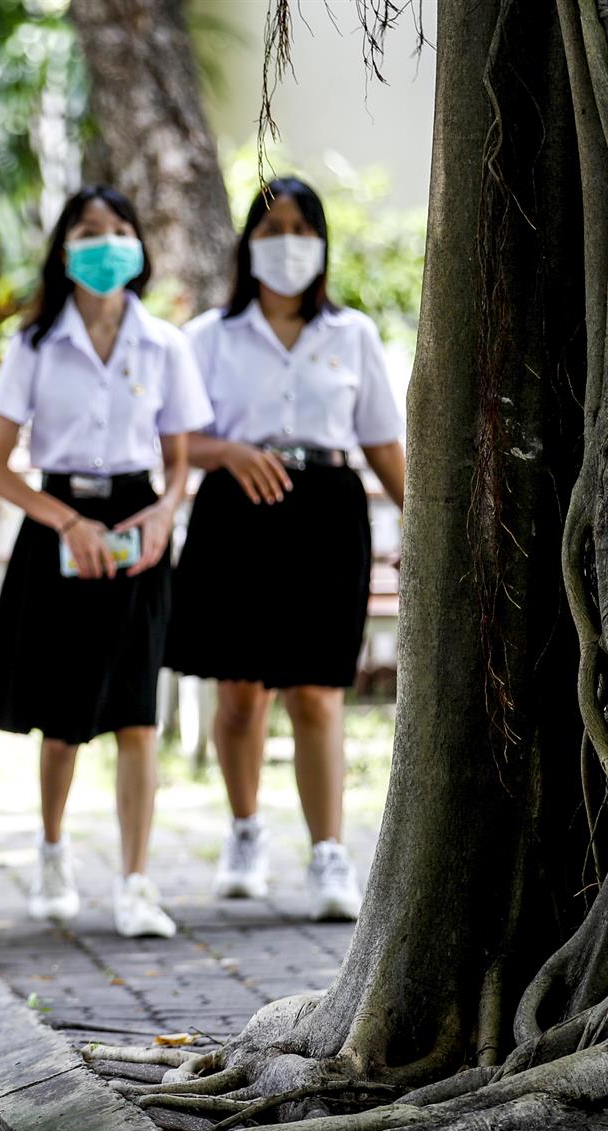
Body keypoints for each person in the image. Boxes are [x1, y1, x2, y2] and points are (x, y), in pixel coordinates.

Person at [0, 186, 212, 940]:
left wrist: (165, 511)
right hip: (59, 523)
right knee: (65, 718)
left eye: (118, 231)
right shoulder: (35, 344)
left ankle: (137, 884)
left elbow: (179, 462)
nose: (105, 244)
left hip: (139, 525)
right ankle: (51, 854)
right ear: (64, 250)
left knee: (138, 713)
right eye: (88, 231)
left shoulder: (164, 345)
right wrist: (67, 521)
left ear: (138, 247)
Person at [166, 177, 405, 921]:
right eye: (271, 230)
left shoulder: (353, 335)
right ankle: (244, 834)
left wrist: (424, 525)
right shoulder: (209, 336)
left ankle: (329, 854)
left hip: (328, 515)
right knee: (240, 693)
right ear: (248, 244)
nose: (287, 243)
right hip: (237, 513)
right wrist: (230, 453)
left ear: (322, 241)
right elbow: (175, 441)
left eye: (302, 228)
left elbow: (381, 442)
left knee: (318, 692)